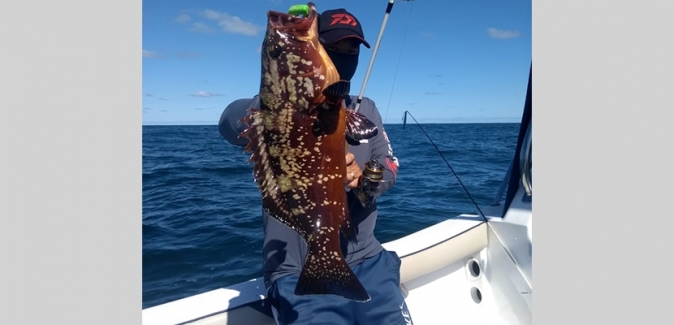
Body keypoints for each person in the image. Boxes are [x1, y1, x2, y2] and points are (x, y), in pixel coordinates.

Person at [218, 8, 413, 325]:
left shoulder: (367, 110)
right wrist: (279, 106)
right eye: (335, 50)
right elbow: (227, 123)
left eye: (351, 52)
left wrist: (366, 180)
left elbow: (389, 164)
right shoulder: (271, 113)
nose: (344, 58)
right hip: (298, 272)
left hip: (369, 260)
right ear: (318, 51)